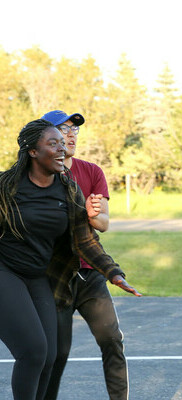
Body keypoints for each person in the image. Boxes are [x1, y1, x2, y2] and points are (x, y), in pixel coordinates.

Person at [0, 119, 141, 400]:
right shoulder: (6, 187)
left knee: (50, 355)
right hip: (5, 272)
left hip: (37, 276)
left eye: (63, 143)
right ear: (32, 151)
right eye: (53, 143)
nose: (62, 149)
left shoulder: (68, 190)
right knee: (33, 351)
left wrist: (113, 273)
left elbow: (85, 240)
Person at [40, 110, 129, 400]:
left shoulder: (92, 172)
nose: (70, 135)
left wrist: (93, 216)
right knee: (57, 352)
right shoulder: (38, 176)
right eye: (62, 129)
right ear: (46, 137)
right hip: (54, 278)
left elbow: (103, 223)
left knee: (112, 340)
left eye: (74, 130)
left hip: (90, 274)